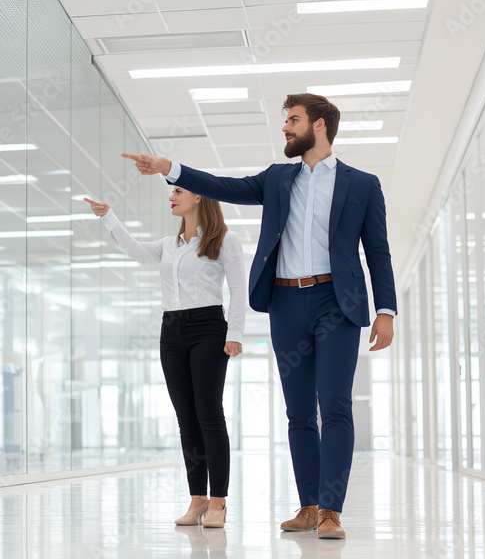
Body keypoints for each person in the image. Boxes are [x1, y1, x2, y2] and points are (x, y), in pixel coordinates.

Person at [121, 93, 397, 540]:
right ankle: (308, 506)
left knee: (336, 405)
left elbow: (378, 251)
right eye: (284, 121)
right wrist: (170, 167)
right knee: (298, 411)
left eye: (293, 120)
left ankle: (332, 510)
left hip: (336, 303)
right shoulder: (276, 179)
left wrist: (385, 309)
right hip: (286, 303)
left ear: (320, 125)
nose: (285, 129)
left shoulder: (362, 184)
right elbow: (224, 186)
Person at [83, 186, 247, 530]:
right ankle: (197, 499)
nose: (171, 197)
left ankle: (218, 501)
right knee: (186, 420)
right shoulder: (170, 245)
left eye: (178, 191)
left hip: (208, 327)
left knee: (209, 415)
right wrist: (108, 216)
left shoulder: (224, 240)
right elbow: (136, 250)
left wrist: (235, 335)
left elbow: (238, 290)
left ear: (199, 196)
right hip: (171, 330)